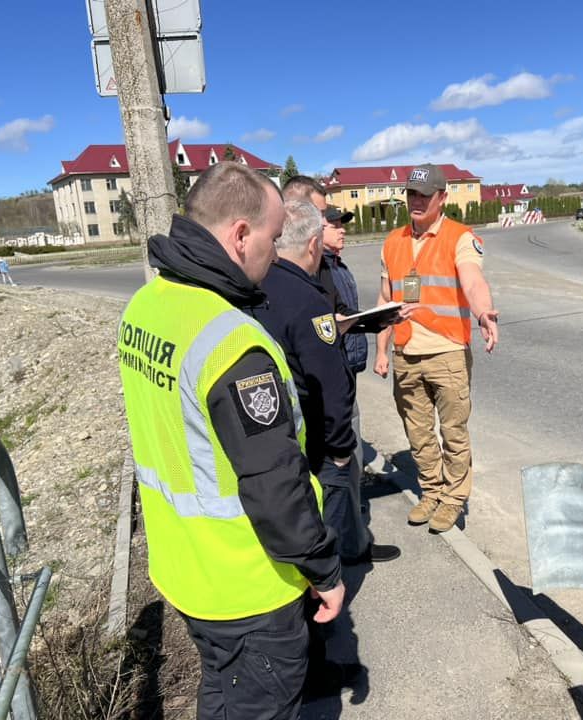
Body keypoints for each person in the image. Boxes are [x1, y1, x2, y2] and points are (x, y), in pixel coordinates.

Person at [117, 162, 344, 720]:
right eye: (270, 237)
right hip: (249, 588)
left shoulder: (147, 305)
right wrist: (325, 571)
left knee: (221, 693)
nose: (275, 252)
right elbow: (275, 484)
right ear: (241, 235)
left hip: (185, 570)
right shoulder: (231, 343)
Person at [255, 200, 398, 565]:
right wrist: (340, 451)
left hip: (280, 432)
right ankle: (327, 594)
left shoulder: (257, 285)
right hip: (317, 438)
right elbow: (329, 383)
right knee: (326, 524)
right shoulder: (307, 299)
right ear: (314, 243)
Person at [374, 163, 499, 533]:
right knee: (418, 431)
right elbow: (386, 298)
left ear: (441, 198)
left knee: (454, 433)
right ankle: (431, 491)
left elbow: (472, 279)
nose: (416, 201)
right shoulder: (392, 241)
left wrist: (483, 312)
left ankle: (453, 500)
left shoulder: (460, 238)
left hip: (447, 353)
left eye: (424, 195)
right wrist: (382, 350)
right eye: (411, 194)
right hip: (406, 353)